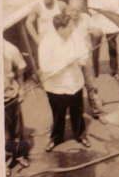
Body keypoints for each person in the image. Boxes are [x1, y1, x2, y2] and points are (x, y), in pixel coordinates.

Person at [38, 13, 91, 152]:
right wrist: (66, 63)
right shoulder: (46, 43)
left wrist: (81, 59)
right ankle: (56, 138)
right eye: (69, 27)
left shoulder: (75, 36)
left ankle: (80, 135)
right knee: (58, 114)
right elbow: (45, 67)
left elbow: (84, 54)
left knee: (77, 112)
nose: (72, 29)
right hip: (56, 87)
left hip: (75, 83)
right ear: (60, 29)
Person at [67, 0, 103, 118]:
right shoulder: (64, 20)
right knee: (73, 86)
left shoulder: (86, 18)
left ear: (81, 10)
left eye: (78, 10)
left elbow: (98, 33)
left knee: (90, 84)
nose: (75, 13)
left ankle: (96, 110)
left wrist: (96, 31)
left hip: (86, 57)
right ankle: (75, 112)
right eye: (72, 10)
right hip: (71, 60)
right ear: (68, 9)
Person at [87, 0, 119, 78]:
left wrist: (100, 7)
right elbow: (91, 9)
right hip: (97, 22)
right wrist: (105, 7)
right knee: (95, 48)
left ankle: (114, 71)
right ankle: (95, 72)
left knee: (113, 47)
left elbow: (115, 7)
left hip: (111, 21)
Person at [4, 39, 31, 174]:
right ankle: (6, 163)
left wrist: (21, 89)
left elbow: (20, 69)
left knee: (17, 130)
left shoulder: (10, 48)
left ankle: (20, 155)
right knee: (2, 134)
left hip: (11, 97)